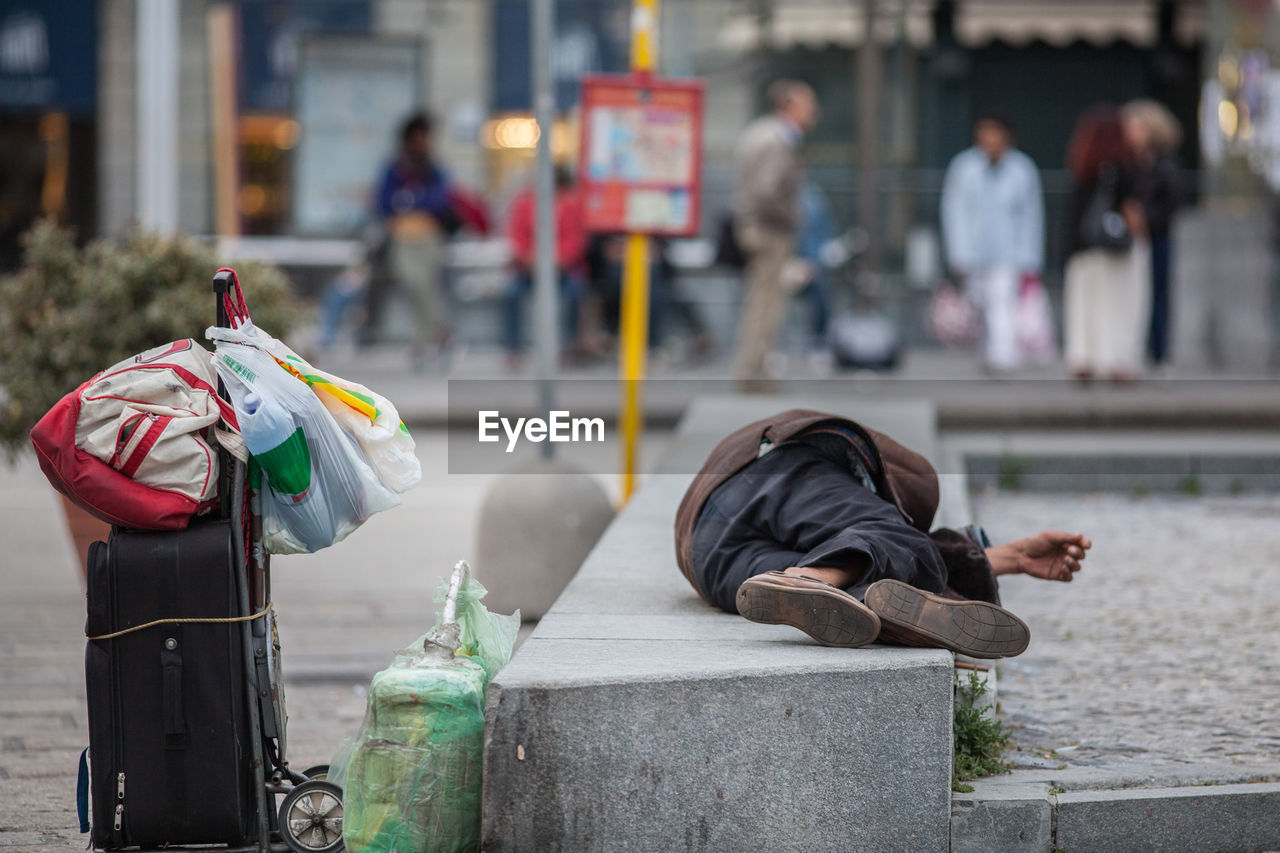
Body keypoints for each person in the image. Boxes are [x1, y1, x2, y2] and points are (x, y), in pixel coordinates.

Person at [673, 410, 1090, 656]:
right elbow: (901, 539)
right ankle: (811, 578)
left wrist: (1012, 558)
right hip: (762, 479)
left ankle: (847, 595)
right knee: (893, 539)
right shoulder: (818, 470)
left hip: (706, 559)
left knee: (865, 581)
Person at [731, 80, 820, 388]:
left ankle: (753, 369)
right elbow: (766, 192)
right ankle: (753, 372)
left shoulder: (760, 133)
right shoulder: (778, 140)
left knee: (761, 300)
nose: (813, 112)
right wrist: (794, 216)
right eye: (808, 105)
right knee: (767, 303)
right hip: (769, 230)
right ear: (789, 107)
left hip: (757, 227)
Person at [940, 111, 1044, 372]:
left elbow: (1031, 215)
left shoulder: (1022, 169)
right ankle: (988, 351)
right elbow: (954, 212)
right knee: (979, 304)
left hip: (1008, 251)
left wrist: (1030, 256)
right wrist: (958, 253)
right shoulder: (963, 167)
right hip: (974, 251)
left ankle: (1002, 356)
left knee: (1002, 302)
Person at [1063, 105, 1149, 383]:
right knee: (1117, 305)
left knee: (1084, 304)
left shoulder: (1082, 168)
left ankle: (1083, 358)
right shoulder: (1124, 168)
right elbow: (1132, 213)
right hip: (1114, 248)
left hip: (1082, 247)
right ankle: (1116, 361)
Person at [372, 112, 458, 367]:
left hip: (429, 237)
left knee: (426, 287)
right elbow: (384, 202)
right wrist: (411, 201)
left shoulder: (434, 168)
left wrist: (409, 200)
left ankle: (421, 344)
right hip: (401, 238)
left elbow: (441, 201)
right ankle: (441, 333)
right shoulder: (395, 168)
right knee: (413, 285)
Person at [502, 166, 588, 366]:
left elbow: (575, 240)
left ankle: (568, 345)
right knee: (511, 293)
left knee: (575, 293)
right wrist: (529, 260)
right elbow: (517, 236)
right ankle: (513, 347)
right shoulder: (524, 203)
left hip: (563, 269)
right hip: (528, 268)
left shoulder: (572, 204)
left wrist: (557, 261)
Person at [1122, 99, 1183, 369]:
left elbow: (1171, 203)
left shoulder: (1165, 164)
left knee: (1158, 295)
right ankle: (1130, 353)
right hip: (1128, 238)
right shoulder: (1125, 164)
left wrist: (1145, 220)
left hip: (1157, 236)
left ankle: (1159, 354)